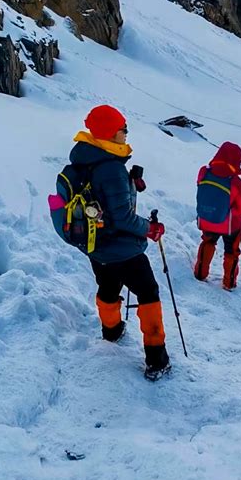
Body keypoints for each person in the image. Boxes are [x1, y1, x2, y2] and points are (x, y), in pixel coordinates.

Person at [69, 104, 170, 379]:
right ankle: (156, 359)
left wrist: (130, 183)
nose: (126, 134)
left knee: (108, 287)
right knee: (148, 293)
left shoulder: (87, 159)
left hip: (96, 244)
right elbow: (124, 219)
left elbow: (105, 202)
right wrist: (151, 229)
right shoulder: (110, 168)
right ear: (110, 132)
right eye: (123, 129)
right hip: (123, 248)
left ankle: (111, 331)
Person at [194, 142, 241, 290]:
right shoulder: (235, 181)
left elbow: (201, 187)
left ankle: (200, 273)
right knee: (231, 251)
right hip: (230, 225)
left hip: (206, 218)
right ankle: (229, 283)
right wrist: (231, 210)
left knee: (207, 243)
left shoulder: (203, 172)